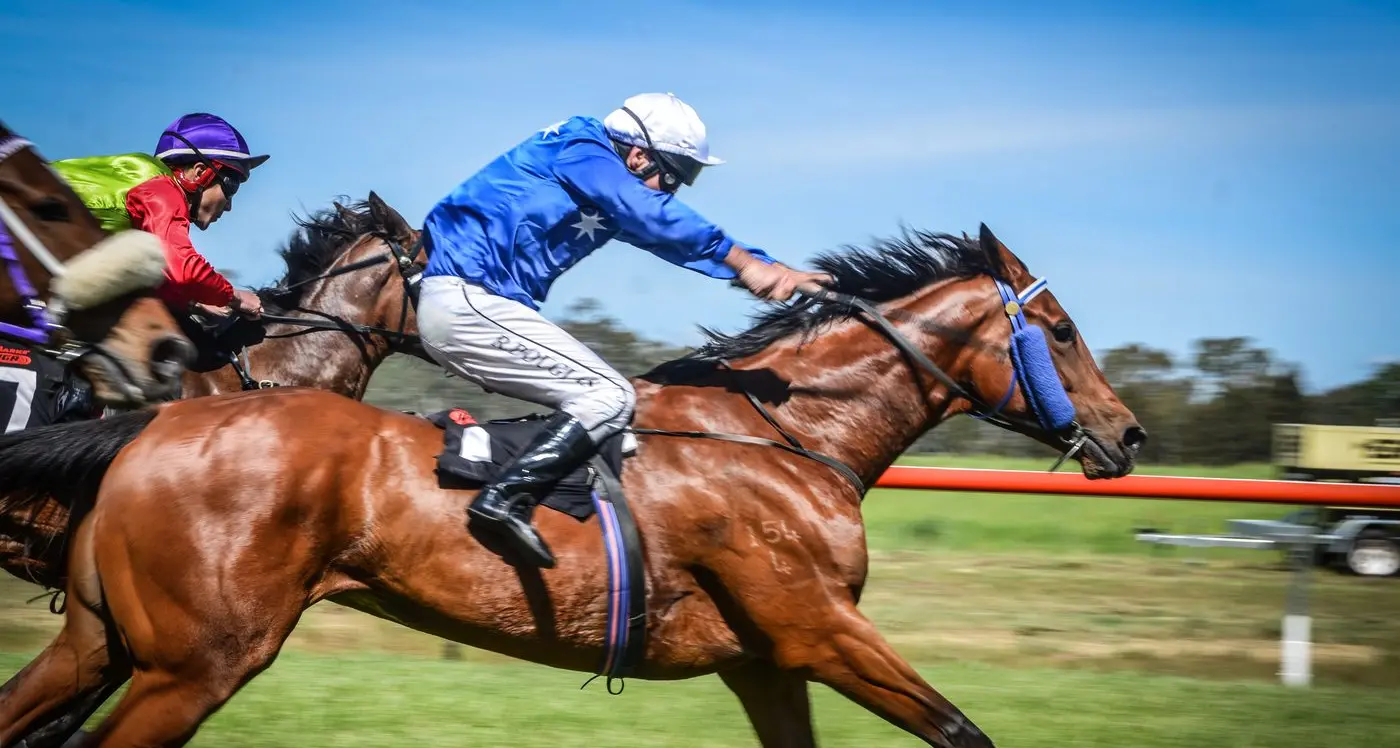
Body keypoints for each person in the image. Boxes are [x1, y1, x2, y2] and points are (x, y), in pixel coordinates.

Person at [416, 92, 831, 568]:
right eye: (672, 176)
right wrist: (742, 262)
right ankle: (503, 501)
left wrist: (768, 266)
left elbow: (669, 237)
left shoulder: (602, 182)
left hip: (479, 303)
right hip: (469, 300)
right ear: (638, 154)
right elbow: (650, 212)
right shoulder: (582, 148)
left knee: (609, 414)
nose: (670, 192)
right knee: (609, 398)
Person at [51, 113, 270, 372]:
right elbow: (182, 267)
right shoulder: (162, 189)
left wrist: (193, 302)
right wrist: (235, 297)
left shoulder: (146, 181)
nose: (230, 206)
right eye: (231, 187)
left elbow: (152, 276)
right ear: (199, 172)